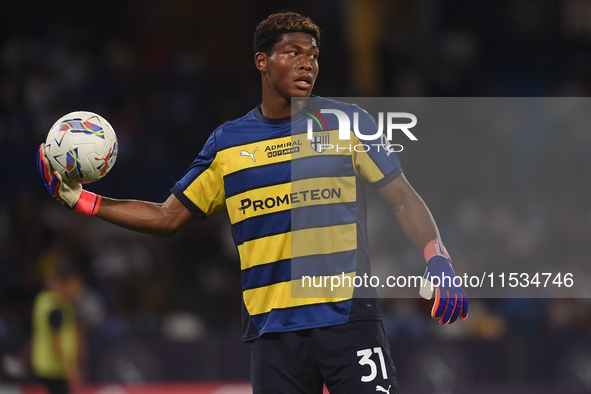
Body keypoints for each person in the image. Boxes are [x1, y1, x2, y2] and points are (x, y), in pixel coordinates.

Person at [37, 12, 468, 393]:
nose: (307, 63)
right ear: (262, 61)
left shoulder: (346, 122)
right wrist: (85, 201)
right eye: (292, 52)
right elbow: (167, 217)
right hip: (273, 333)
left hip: (347, 319)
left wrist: (437, 255)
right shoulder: (227, 144)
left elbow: (403, 199)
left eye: (313, 55)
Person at [30, 262, 86, 394]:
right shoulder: (56, 306)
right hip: (53, 368)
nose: (79, 289)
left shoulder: (45, 299)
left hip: (48, 366)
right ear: (66, 283)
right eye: (76, 284)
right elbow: (55, 337)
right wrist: (70, 367)